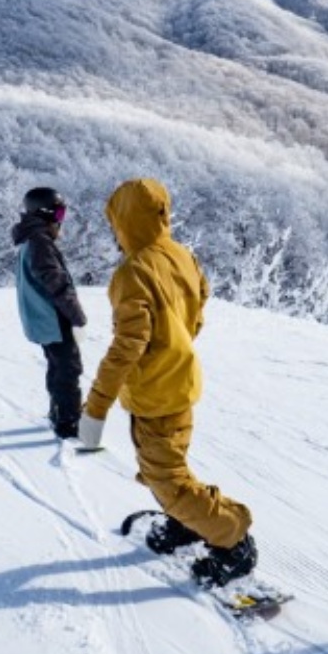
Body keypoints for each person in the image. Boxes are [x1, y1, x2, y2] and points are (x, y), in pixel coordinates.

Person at [76, 178, 257, 586]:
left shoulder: (132, 272)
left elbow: (127, 348)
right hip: (178, 383)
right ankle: (188, 524)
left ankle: (232, 538)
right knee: (165, 465)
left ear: (124, 222)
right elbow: (200, 301)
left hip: (156, 395)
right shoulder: (180, 255)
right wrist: (179, 343)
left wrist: (95, 409)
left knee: (167, 479)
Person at [12, 186, 87, 440]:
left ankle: (58, 411)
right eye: (58, 214)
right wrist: (77, 316)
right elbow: (55, 282)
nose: (61, 220)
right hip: (52, 318)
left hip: (42, 319)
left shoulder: (32, 239)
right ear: (44, 213)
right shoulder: (39, 242)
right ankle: (69, 424)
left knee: (57, 366)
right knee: (69, 368)